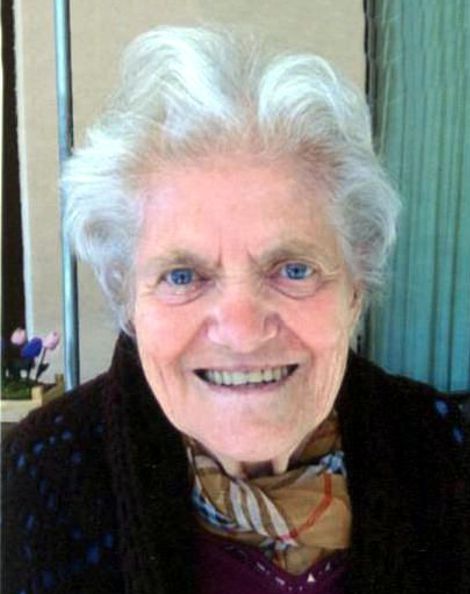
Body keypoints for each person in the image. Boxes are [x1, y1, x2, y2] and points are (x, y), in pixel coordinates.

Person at [2, 26, 469, 594]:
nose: (243, 333)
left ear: (356, 288)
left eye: (293, 269)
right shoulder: (43, 475)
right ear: (129, 300)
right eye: (183, 276)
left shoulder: (445, 454)